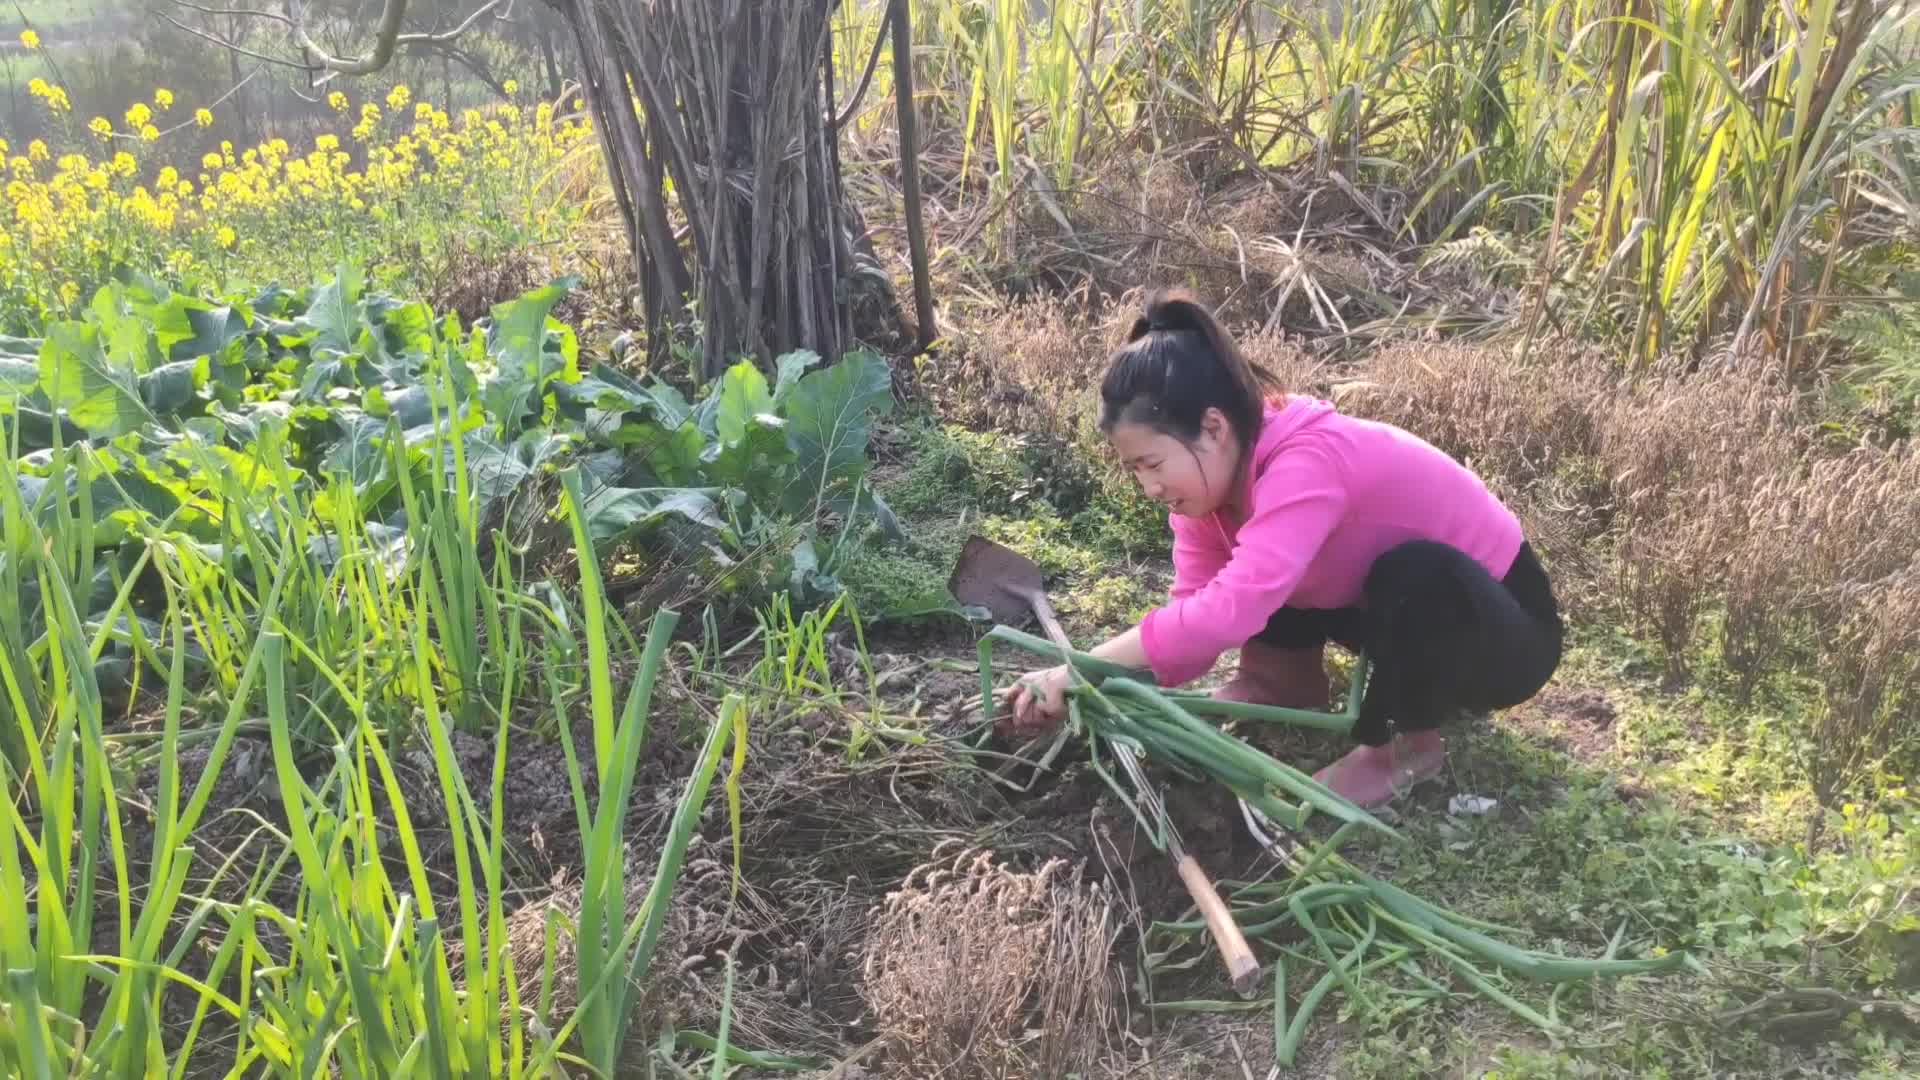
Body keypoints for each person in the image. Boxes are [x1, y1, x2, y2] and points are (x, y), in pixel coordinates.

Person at [1005, 288, 1563, 809]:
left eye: (1153, 464)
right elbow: (1192, 627)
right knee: (1263, 561)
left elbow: (1231, 612)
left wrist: (1078, 668)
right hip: (1386, 614)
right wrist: (1088, 692)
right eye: (1135, 470)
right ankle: (1283, 680)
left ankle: (1404, 744)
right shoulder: (1206, 494)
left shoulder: (1306, 460)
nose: (1149, 488)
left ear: (1214, 427)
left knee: (1408, 572)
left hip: (1497, 629)